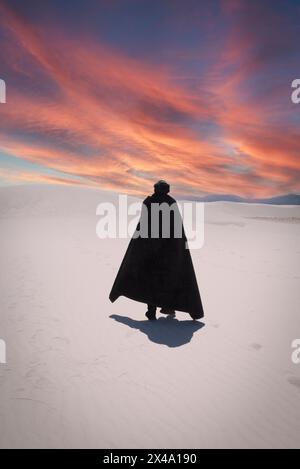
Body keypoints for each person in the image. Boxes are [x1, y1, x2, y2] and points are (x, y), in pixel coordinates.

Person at [109, 180, 204, 321]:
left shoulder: (149, 203)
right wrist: (177, 249)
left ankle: (152, 311)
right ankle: (167, 306)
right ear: (167, 190)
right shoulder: (171, 203)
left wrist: (141, 247)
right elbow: (176, 230)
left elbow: (143, 227)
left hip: (149, 249)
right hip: (167, 251)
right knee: (168, 278)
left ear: (156, 189)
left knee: (150, 279)